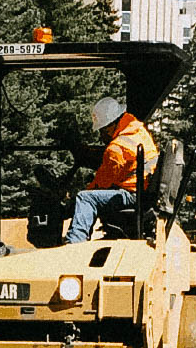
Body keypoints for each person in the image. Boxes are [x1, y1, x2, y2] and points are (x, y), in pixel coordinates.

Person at [65, 97, 159, 244]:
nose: (101, 136)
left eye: (102, 131)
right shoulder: (137, 131)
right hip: (143, 192)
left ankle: (74, 243)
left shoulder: (116, 148)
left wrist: (76, 199)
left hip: (132, 195)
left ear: (110, 126)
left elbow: (102, 182)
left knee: (85, 198)